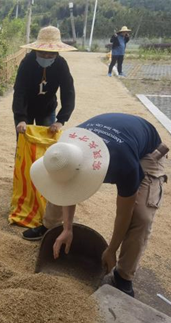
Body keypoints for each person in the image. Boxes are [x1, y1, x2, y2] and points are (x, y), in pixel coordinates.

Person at [23, 113, 168, 297]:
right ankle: (49, 227)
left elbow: (124, 212)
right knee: (59, 181)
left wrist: (111, 249)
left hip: (147, 151)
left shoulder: (123, 165)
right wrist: (67, 229)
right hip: (116, 137)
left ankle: (124, 274)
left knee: (141, 216)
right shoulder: (65, 150)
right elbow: (66, 187)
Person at [12, 26, 76, 137]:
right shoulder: (27, 62)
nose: (46, 56)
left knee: (47, 141)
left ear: (57, 51)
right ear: (36, 49)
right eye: (42, 52)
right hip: (26, 108)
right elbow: (19, 90)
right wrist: (21, 118)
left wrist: (60, 120)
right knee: (24, 141)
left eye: (51, 53)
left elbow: (68, 92)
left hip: (47, 108)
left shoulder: (60, 64)